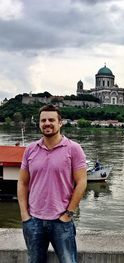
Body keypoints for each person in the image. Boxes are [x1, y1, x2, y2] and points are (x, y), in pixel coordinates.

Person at [17, 104, 87, 263]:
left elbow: (82, 182)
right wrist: (24, 214)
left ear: (60, 123)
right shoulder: (30, 150)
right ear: (39, 123)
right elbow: (22, 182)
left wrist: (68, 213)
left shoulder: (73, 149)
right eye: (43, 120)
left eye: (51, 120)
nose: (47, 123)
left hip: (61, 221)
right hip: (33, 220)